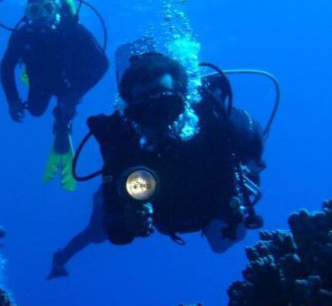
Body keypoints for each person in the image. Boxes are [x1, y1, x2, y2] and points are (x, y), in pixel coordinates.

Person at [59, 48, 268, 266]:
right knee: (97, 230)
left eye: (166, 107)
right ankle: (62, 257)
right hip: (165, 211)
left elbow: (253, 140)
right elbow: (117, 233)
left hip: (210, 208)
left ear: (186, 98)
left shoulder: (221, 125)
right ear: (130, 113)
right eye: (142, 112)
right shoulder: (123, 142)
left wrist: (245, 173)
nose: (157, 121)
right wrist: (129, 217)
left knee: (222, 243)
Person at [0, 0, 109, 190]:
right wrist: (12, 100)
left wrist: (77, 93)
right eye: (34, 10)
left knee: (65, 107)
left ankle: (63, 121)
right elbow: (5, 67)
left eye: (48, 8)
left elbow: (102, 63)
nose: (41, 15)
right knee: (36, 111)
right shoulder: (22, 35)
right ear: (28, 14)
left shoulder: (72, 28)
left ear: (56, 8)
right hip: (40, 81)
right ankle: (62, 113)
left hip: (70, 83)